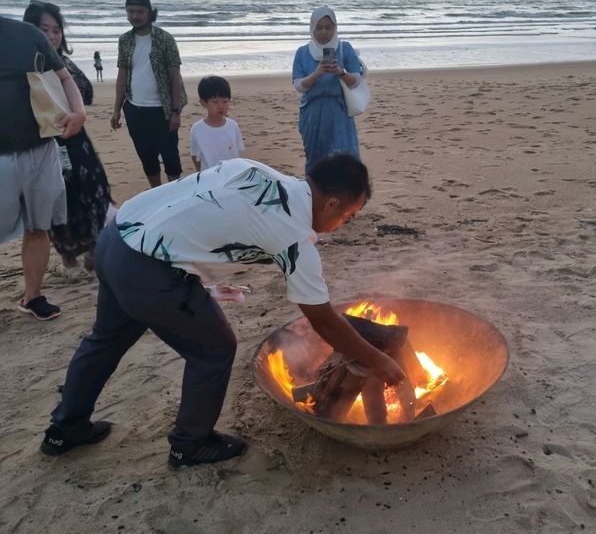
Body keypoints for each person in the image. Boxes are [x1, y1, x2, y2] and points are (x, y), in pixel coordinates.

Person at [40, 154, 405, 467]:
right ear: (331, 204)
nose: (341, 226)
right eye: (348, 216)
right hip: (149, 269)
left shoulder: (252, 169)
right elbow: (323, 319)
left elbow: (201, 210)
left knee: (106, 338)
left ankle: (64, 429)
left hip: (117, 237)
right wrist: (378, 360)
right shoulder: (294, 237)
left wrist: (207, 272)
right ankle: (190, 444)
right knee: (214, 348)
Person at [0, 15, 86, 320]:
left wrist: (78, 111)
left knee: (38, 227)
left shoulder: (25, 34)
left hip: (40, 148)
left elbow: (63, 77)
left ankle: (32, 297)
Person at [23, 1, 112, 278]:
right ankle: (69, 261)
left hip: (78, 143)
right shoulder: (22, 66)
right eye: (44, 29)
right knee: (61, 201)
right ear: (30, 31)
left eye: (56, 29)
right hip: (46, 146)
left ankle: (94, 252)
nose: (51, 35)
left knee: (95, 192)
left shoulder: (62, 62)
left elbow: (85, 93)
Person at [111, 0, 187, 188]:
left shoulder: (165, 39)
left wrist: (175, 111)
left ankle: (176, 196)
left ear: (149, 13)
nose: (134, 16)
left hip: (162, 110)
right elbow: (122, 76)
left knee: (171, 159)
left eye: (140, 11)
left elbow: (175, 77)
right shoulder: (125, 40)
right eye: (130, 11)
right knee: (147, 159)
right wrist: (116, 109)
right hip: (135, 109)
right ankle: (157, 195)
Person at [292, 6, 363, 173]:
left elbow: (356, 81)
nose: (324, 32)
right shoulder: (302, 53)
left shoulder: (345, 49)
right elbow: (299, 86)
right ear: (312, 28)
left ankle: (347, 197)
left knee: (345, 160)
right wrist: (317, 73)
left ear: (335, 28)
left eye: (328, 27)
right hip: (313, 113)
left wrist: (341, 72)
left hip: (339, 112)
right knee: (316, 161)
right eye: (319, 27)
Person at [190, 75, 245, 171]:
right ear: (203, 103)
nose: (221, 106)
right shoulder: (197, 129)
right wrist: (200, 173)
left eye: (225, 101)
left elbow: (236, 154)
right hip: (209, 176)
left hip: (231, 174)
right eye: (215, 102)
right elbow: (195, 156)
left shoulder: (233, 126)